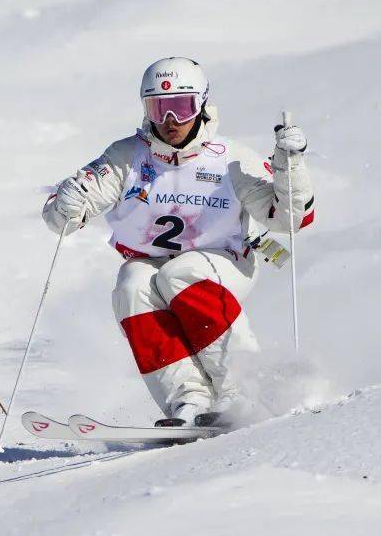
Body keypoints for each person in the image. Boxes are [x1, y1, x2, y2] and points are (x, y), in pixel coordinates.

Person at [43, 56, 314, 429]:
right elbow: (62, 220)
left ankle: (242, 388)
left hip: (224, 261)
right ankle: (188, 399)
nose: (171, 121)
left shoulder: (229, 159)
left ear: (201, 104)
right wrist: (67, 205)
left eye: (181, 107)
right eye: (159, 108)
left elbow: (290, 218)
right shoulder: (126, 158)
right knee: (131, 284)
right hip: (152, 263)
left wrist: (291, 167)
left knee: (181, 272)